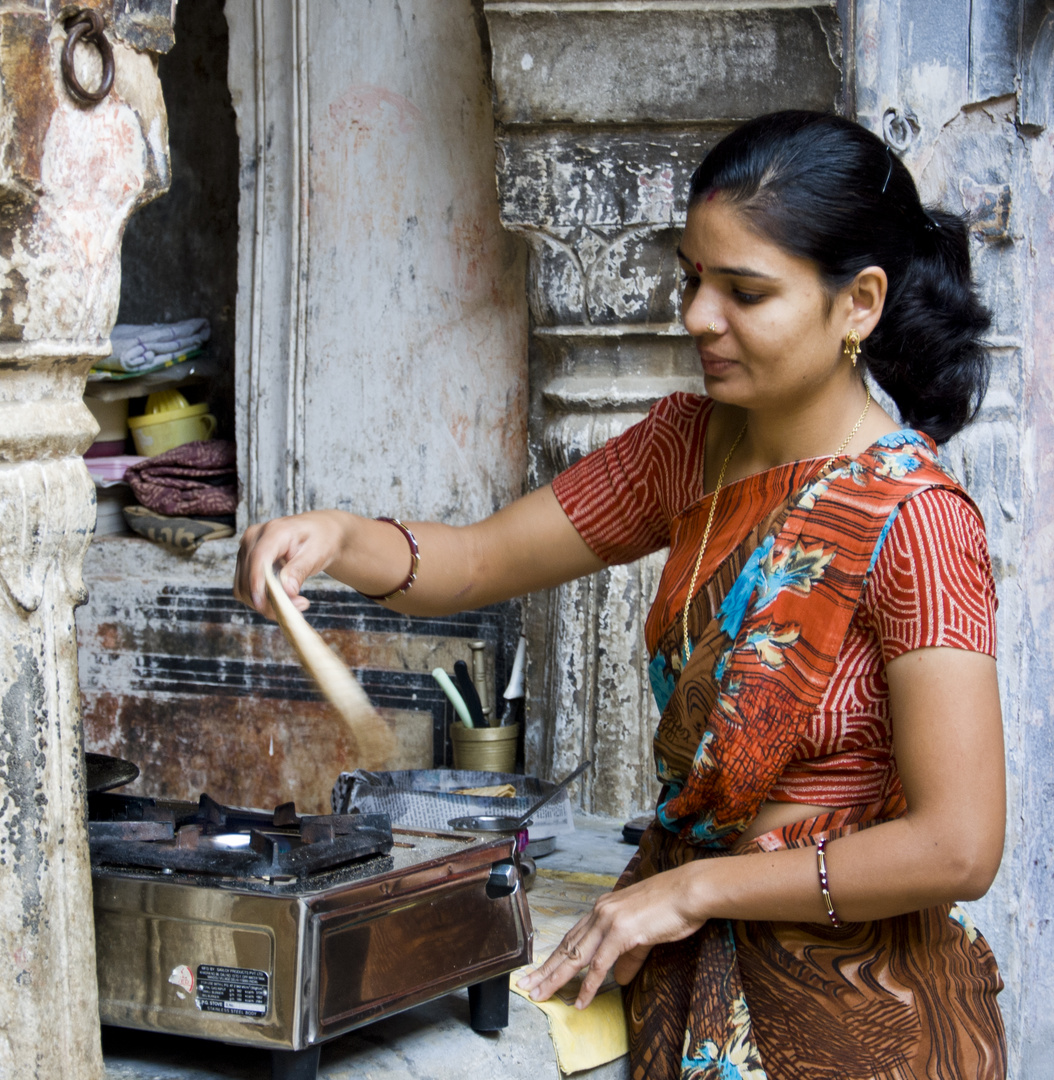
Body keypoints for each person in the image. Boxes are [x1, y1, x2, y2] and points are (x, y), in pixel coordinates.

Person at [234, 110, 1007, 1079]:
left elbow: (959, 847)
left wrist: (693, 893)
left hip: (860, 1025)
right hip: (683, 990)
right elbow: (476, 562)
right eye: (692, 277)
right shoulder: (686, 447)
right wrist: (336, 538)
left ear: (857, 303)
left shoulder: (919, 523)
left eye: (744, 290)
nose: (695, 316)